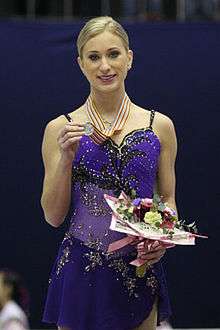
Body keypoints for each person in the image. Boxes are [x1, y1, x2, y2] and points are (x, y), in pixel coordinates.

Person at [41, 16, 177, 330]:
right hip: (81, 271)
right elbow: (52, 215)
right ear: (80, 64)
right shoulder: (61, 129)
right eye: (94, 57)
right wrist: (65, 159)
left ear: (129, 58)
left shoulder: (160, 126)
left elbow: (167, 198)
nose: (105, 66)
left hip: (138, 272)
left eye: (113, 54)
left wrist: (161, 238)